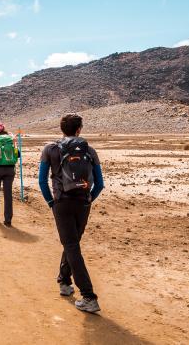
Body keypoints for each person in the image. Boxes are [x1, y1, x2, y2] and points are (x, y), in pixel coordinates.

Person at [38, 114, 105, 313]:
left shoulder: (50, 149)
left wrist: (51, 202)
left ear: (62, 129)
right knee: (72, 243)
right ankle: (64, 281)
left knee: (71, 245)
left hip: (61, 203)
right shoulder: (89, 151)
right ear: (79, 130)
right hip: (83, 203)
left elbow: (42, 181)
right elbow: (100, 184)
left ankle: (88, 296)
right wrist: (89, 199)